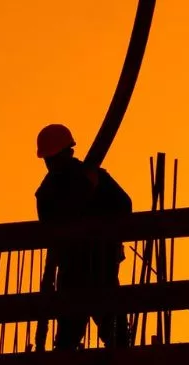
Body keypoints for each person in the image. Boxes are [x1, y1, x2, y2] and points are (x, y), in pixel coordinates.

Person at [33, 124, 132, 351]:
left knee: (115, 335)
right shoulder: (50, 191)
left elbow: (124, 206)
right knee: (71, 336)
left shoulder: (92, 177)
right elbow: (49, 228)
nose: (51, 165)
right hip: (77, 269)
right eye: (48, 160)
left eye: (52, 159)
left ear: (67, 153)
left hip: (99, 266)